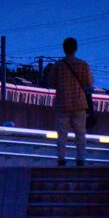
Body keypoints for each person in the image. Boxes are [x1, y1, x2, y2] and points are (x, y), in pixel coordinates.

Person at [45, 37, 93, 167]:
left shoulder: (58, 66)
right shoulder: (83, 65)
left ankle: (61, 158)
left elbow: (50, 83)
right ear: (76, 48)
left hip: (62, 104)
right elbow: (89, 85)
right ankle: (81, 159)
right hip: (79, 104)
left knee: (62, 134)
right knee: (80, 133)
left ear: (64, 49)